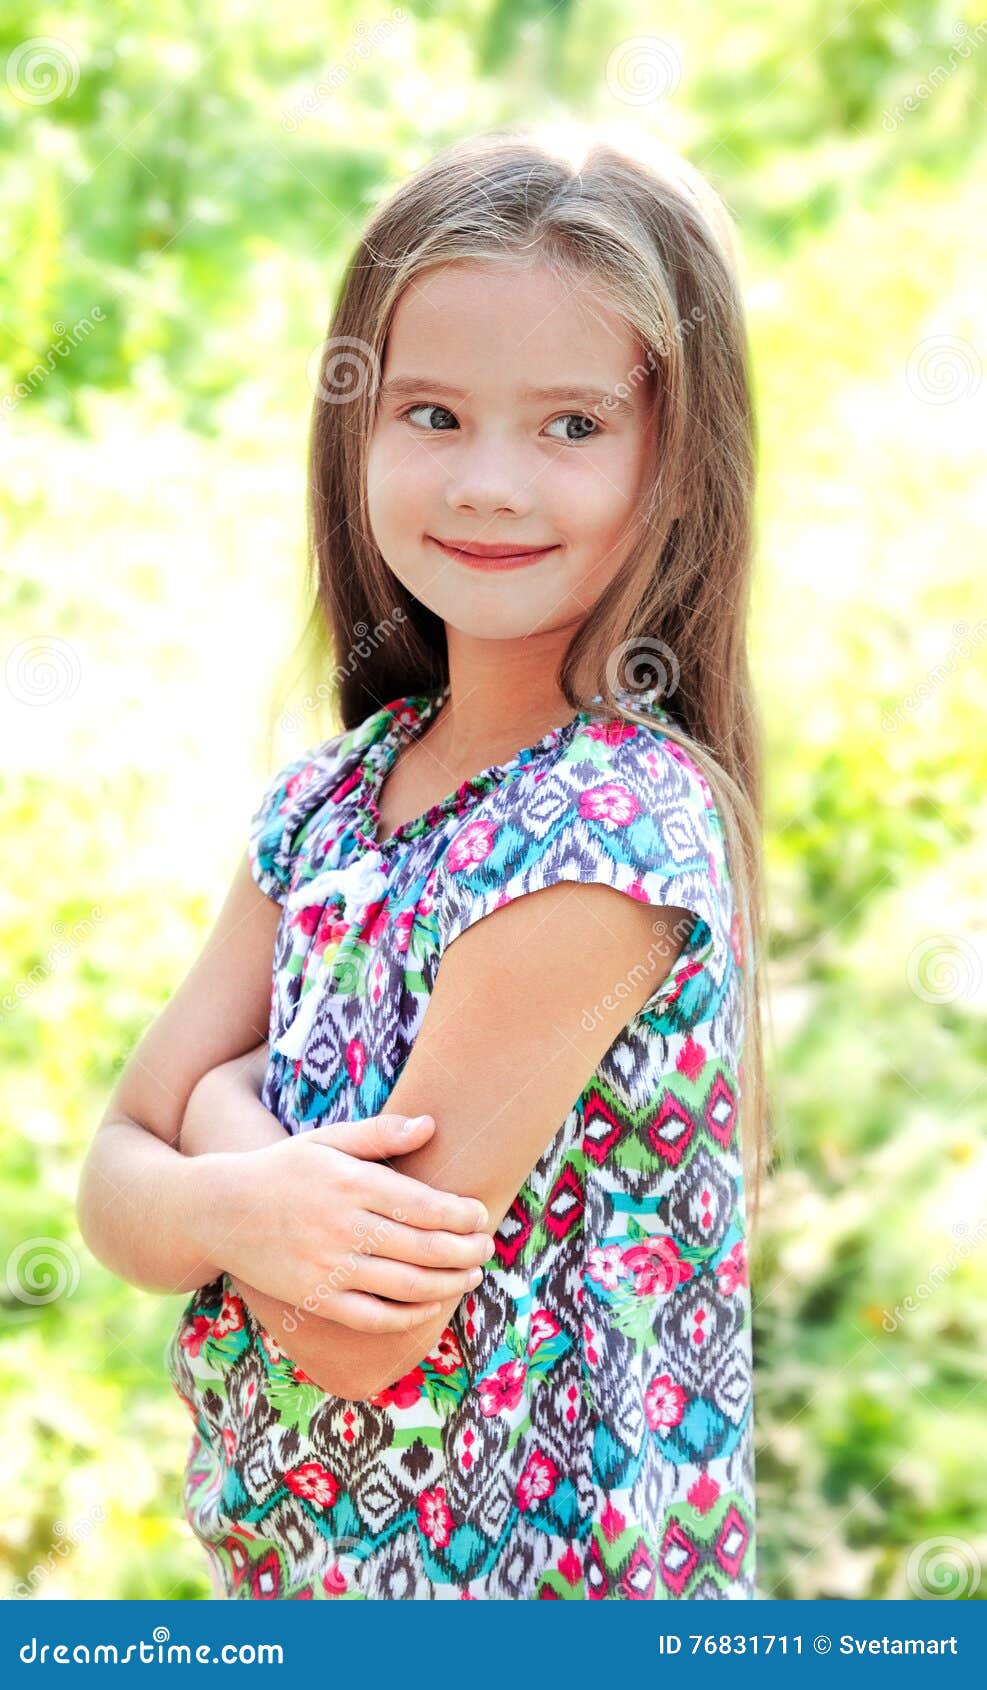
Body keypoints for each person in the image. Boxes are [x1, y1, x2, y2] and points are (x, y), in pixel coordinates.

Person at [77, 121, 769, 1601]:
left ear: (675, 457)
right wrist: (237, 1193)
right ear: (358, 425)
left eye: (572, 425)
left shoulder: (612, 837)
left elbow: (357, 1330)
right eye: (434, 414)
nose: (491, 483)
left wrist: (208, 1113)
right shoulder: (334, 796)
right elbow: (106, 1186)